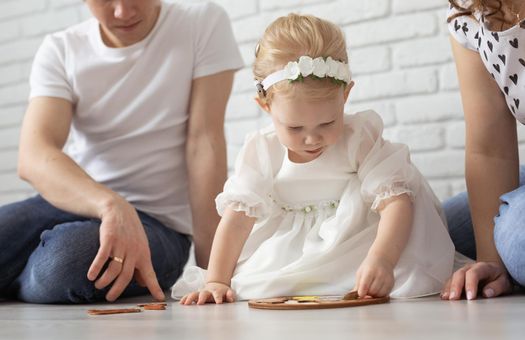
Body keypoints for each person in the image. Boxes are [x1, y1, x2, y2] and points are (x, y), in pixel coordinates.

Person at [171, 13, 456, 305]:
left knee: (399, 269)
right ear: (265, 106)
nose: (312, 139)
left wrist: (382, 259)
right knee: (260, 284)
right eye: (295, 128)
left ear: (345, 96)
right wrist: (217, 279)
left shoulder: (358, 137)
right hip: (292, 251)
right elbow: (237, 221)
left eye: (327, 123)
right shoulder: (263, 149)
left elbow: (396, 202)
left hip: (357, 243)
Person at [0, 0, 243, 303]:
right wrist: (111, 204)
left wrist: (212, 273)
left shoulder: (201, 23)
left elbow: (203, 142)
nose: (122, 13)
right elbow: (34, 155)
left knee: (62, 264)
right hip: (82, 200)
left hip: (158, 226)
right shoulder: (61, 48)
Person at [442, 0, 525, 301]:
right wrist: (491, 263)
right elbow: (490, 147)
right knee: (432, 232)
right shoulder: (468, 10)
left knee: (517, 238)